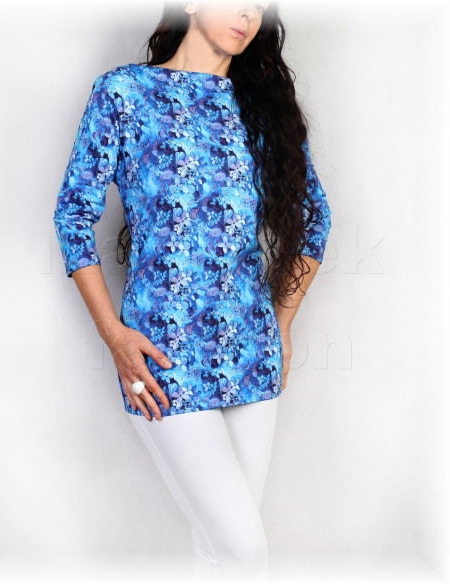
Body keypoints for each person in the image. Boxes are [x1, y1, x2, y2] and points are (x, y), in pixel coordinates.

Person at [53, 0, 332, 580]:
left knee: (221, 553)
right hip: (162, 358)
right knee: (243, 551)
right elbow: (73, 215)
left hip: (252, 355)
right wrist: (114, 336)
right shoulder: (125, 92)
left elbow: (315, 219)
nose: (248, 15)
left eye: (260, 7)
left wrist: (281, 326)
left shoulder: (261, 108)